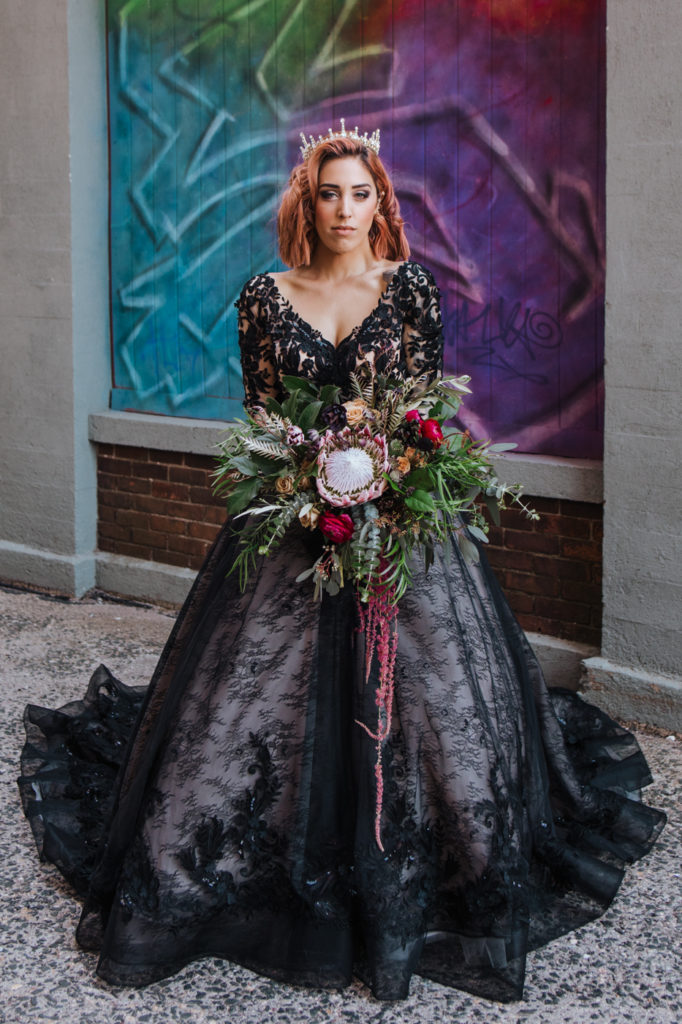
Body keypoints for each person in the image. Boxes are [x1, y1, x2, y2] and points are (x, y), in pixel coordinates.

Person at [19, 121, 665, 1004]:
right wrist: (300, 480)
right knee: (251, 706)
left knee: (437, 710)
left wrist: (395, 481)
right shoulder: (264, 295)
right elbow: (258, 417)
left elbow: (428, 414)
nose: (346, 210)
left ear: (381, 202)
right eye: (330, 193)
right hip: (295, 531)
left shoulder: (412, 291)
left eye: (361, 193)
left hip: (401, 530)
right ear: (307, 202)